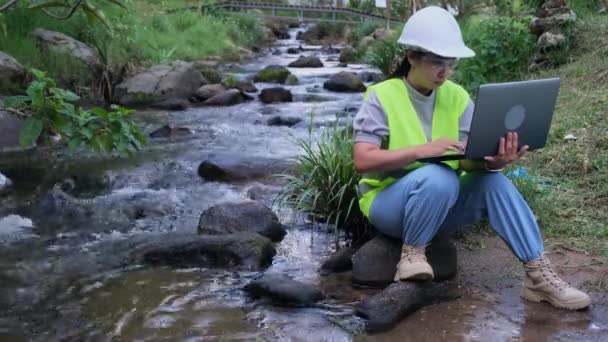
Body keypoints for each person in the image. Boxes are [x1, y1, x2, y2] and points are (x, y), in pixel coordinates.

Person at [352, 6, 591, 310]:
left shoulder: (457, 96)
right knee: (439, 176)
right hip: (389, 204)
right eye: (437, 62)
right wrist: (423, 150)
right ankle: (411, 256)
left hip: (440, 204)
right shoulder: (380, 95)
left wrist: (493, 161)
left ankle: (538, 277)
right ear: (412, 56)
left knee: (494, 183)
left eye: (450, 63)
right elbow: (362, 160)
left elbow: (468, 162)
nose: (445, 72)